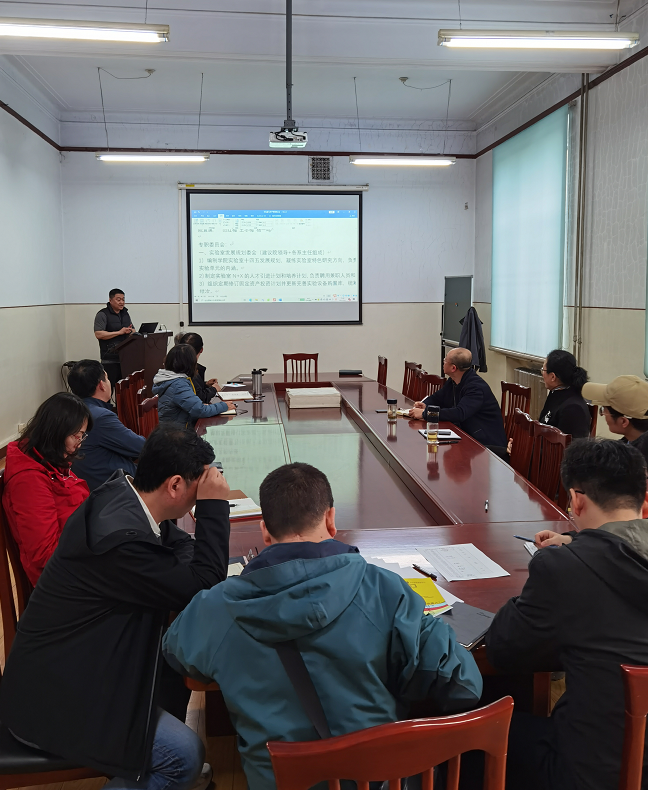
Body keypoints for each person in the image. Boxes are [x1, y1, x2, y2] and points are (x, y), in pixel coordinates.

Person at [163, 462, 483, 790]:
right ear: (331, 520)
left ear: (265, 531)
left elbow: (178, 656)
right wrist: (426, 629)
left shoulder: (216, 606)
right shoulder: (385, 590)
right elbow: (464, 685)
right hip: (378, 780)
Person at [0, 423, 232, 790]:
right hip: (55, 700)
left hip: (84, 666)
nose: (200, 494)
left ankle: (141, 763)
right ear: (174, 485)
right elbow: (203, 584)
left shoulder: (122, 493)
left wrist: (187, 560)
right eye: (198, 487)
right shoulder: (120, 540)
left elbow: (177, 544)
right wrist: (214, 508)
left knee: (176, 653)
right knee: (184, 757)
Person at [485, 439, 648, 790]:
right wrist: (580, 542)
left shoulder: (563, 569)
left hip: (591, 772)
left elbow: (503, 650)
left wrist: (564, 558)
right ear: (644, 500)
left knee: (476, 738)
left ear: (576, 500)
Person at [2, 393, 91, 585]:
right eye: (75, 435)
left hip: (79, 556)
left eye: (82, 436)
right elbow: (45, 555)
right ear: (55, 432)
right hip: (63, 579)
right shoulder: (29, 480)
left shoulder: (49, 460)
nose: (79, 443)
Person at [68, 359, 146, 491]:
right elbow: (140, 447)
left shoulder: (72, 410)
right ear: (101, 385)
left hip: (89, 482)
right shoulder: (100, 417)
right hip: (113, 487)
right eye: (107, 379)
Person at [408, 347, 507, 448]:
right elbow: (437, 398)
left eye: (445, 360)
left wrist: (426, 414)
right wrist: (425, 404)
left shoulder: (476, 388)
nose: (443, 362)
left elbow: (459, 413)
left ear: (453, 368)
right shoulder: (453, 380)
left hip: (486, 444)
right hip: (466, 435)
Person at [153, 344, 234, 427]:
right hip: (178, 432)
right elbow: (200, 411)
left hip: (174, 428)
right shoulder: (178, 385)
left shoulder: (171, 379)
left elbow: (193, 406)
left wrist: (203, 406)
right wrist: (224, 406)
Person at [582, 375, 648, 465]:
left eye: (603, 410)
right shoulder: (628, 447)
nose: (602, 414)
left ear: (623, 421)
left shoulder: (631, 465)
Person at [538, 349, 590, 438]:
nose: (542, 373)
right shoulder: (556, 393)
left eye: (543, 370)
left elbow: (570, 444)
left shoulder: (573, 408)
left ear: (553, 377)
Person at [94, 289, 134, 388]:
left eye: (123, 299)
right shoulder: (102, 314)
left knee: (125, 389)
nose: (122, 302)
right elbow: (98, 334)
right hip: (110, 359)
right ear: (110, 300)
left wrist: (132, 332)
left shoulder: (125, 313)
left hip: (125, 358)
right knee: (109, 388)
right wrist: (119, 332)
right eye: (118, 300)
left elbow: (132, 328)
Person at [180, 332, 221, 403]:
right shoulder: (186, 369)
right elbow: (200, 398)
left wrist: (205, 385)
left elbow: (194, 389)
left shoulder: (179, 366)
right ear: (201, 350)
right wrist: (213, 389)